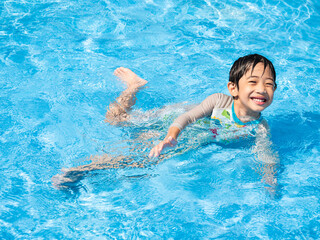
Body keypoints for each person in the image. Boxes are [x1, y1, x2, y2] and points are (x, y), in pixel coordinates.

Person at [52, 53, 279, 191]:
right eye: (253, 82)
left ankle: (85, 170)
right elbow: (187, 117)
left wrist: (269, 177)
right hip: (172, 120)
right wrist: (171, 136)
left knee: (143, 161)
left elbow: (265, 153)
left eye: (269, 84)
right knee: (115, 120)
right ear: (233, 88)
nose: (262, 89)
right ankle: (133, 86)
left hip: (194, 136)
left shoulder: (259, 127)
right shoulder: (220, 100)